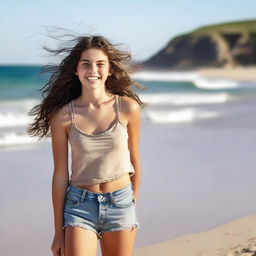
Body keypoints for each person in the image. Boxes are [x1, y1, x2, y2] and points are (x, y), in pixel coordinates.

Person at [27, 35, 146, 256]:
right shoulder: (62, 116)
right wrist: (57, 231)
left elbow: (135, 159)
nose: (93, 70)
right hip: (79, 205)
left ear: (109, 70)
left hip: (120, 202)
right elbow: (61, 173)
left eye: (100, 64)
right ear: (76, 70)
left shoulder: (128, 108)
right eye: (86, 64)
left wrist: (131, 202)